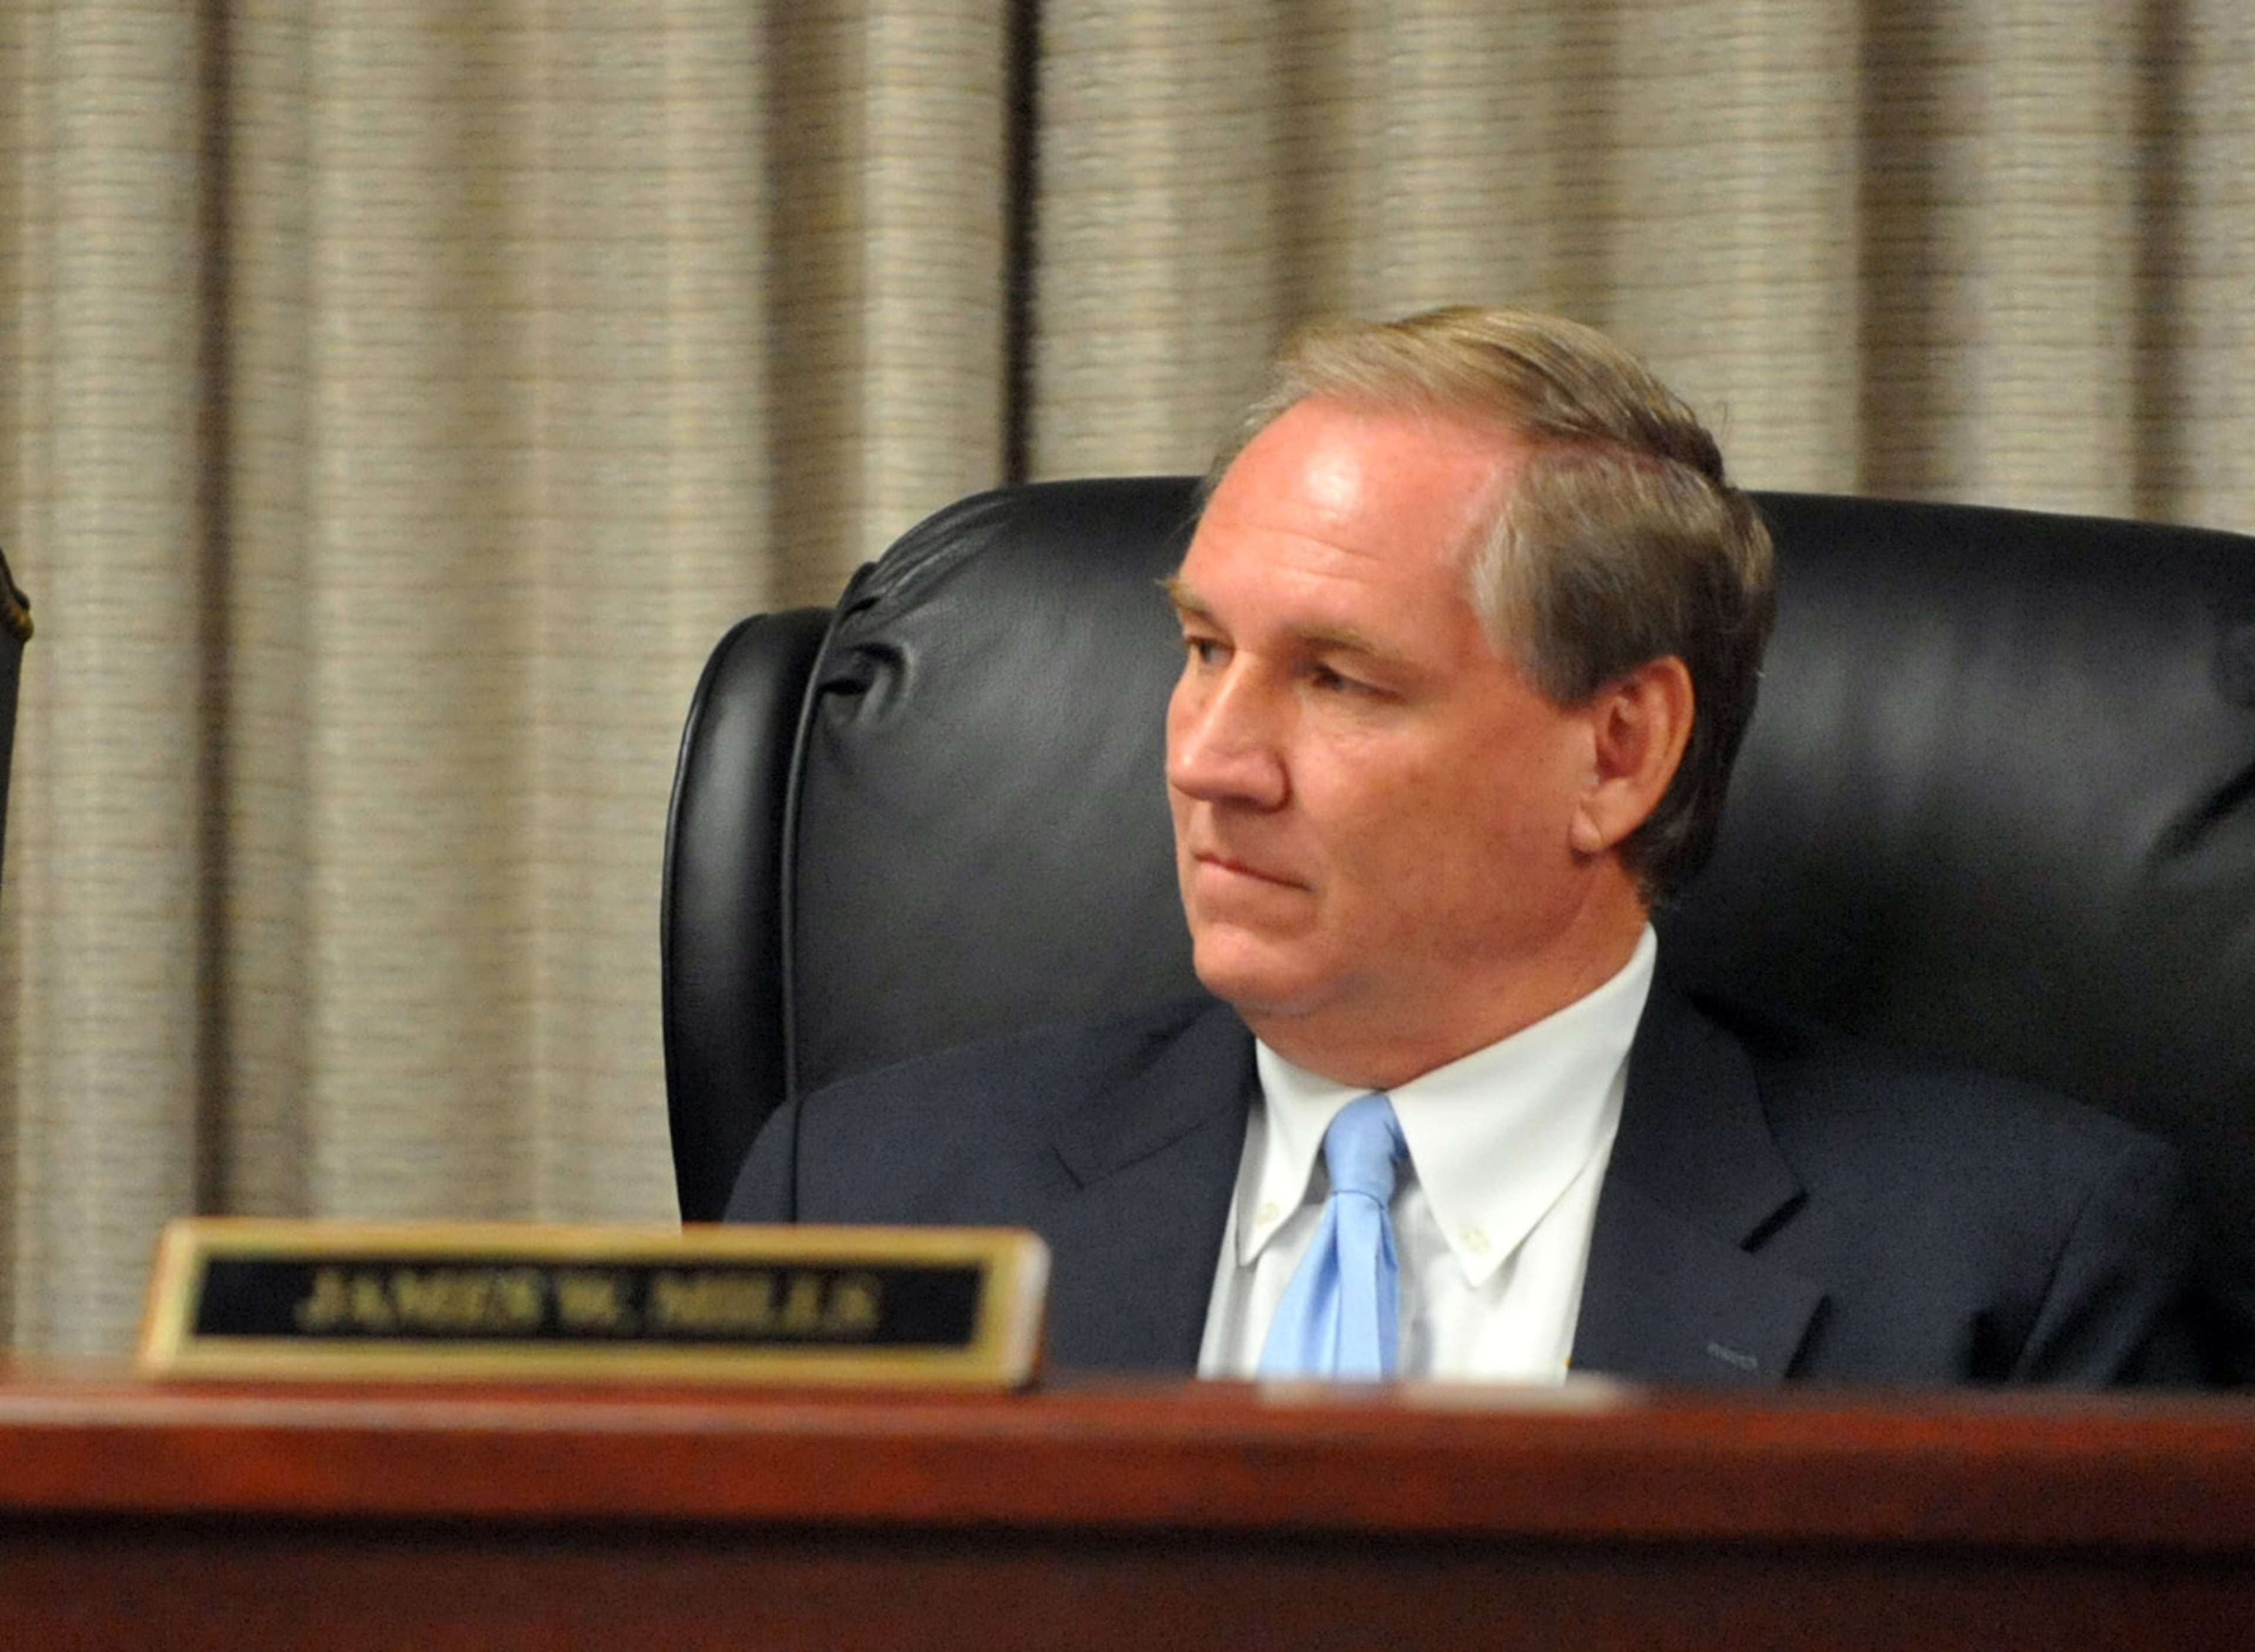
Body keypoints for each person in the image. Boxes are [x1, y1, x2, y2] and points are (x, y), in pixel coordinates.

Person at [726, 306, 2197, 1385]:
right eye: (1201, 647)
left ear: (1616, 752)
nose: (1205, 758)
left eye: (1337, 680)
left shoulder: (2012, 1274)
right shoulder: (871, 1200)